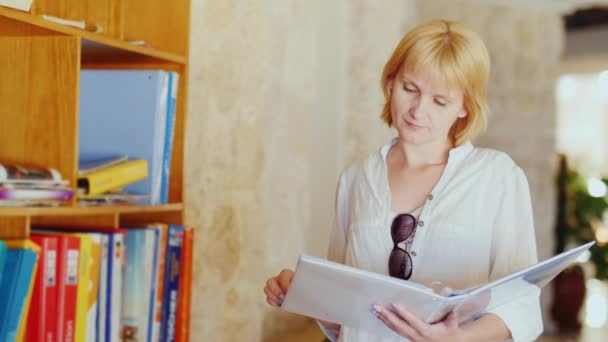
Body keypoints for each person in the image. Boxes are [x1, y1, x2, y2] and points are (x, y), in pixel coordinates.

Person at [263, 19, 542, 342]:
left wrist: (459, 339)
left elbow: (521, 302)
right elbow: (344, 312)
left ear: (465, 107)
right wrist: (303, 295)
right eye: (410, 89)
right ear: (391, 81)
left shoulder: (498, 178)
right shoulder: (356, 179)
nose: (418, 110)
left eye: (440, 101)